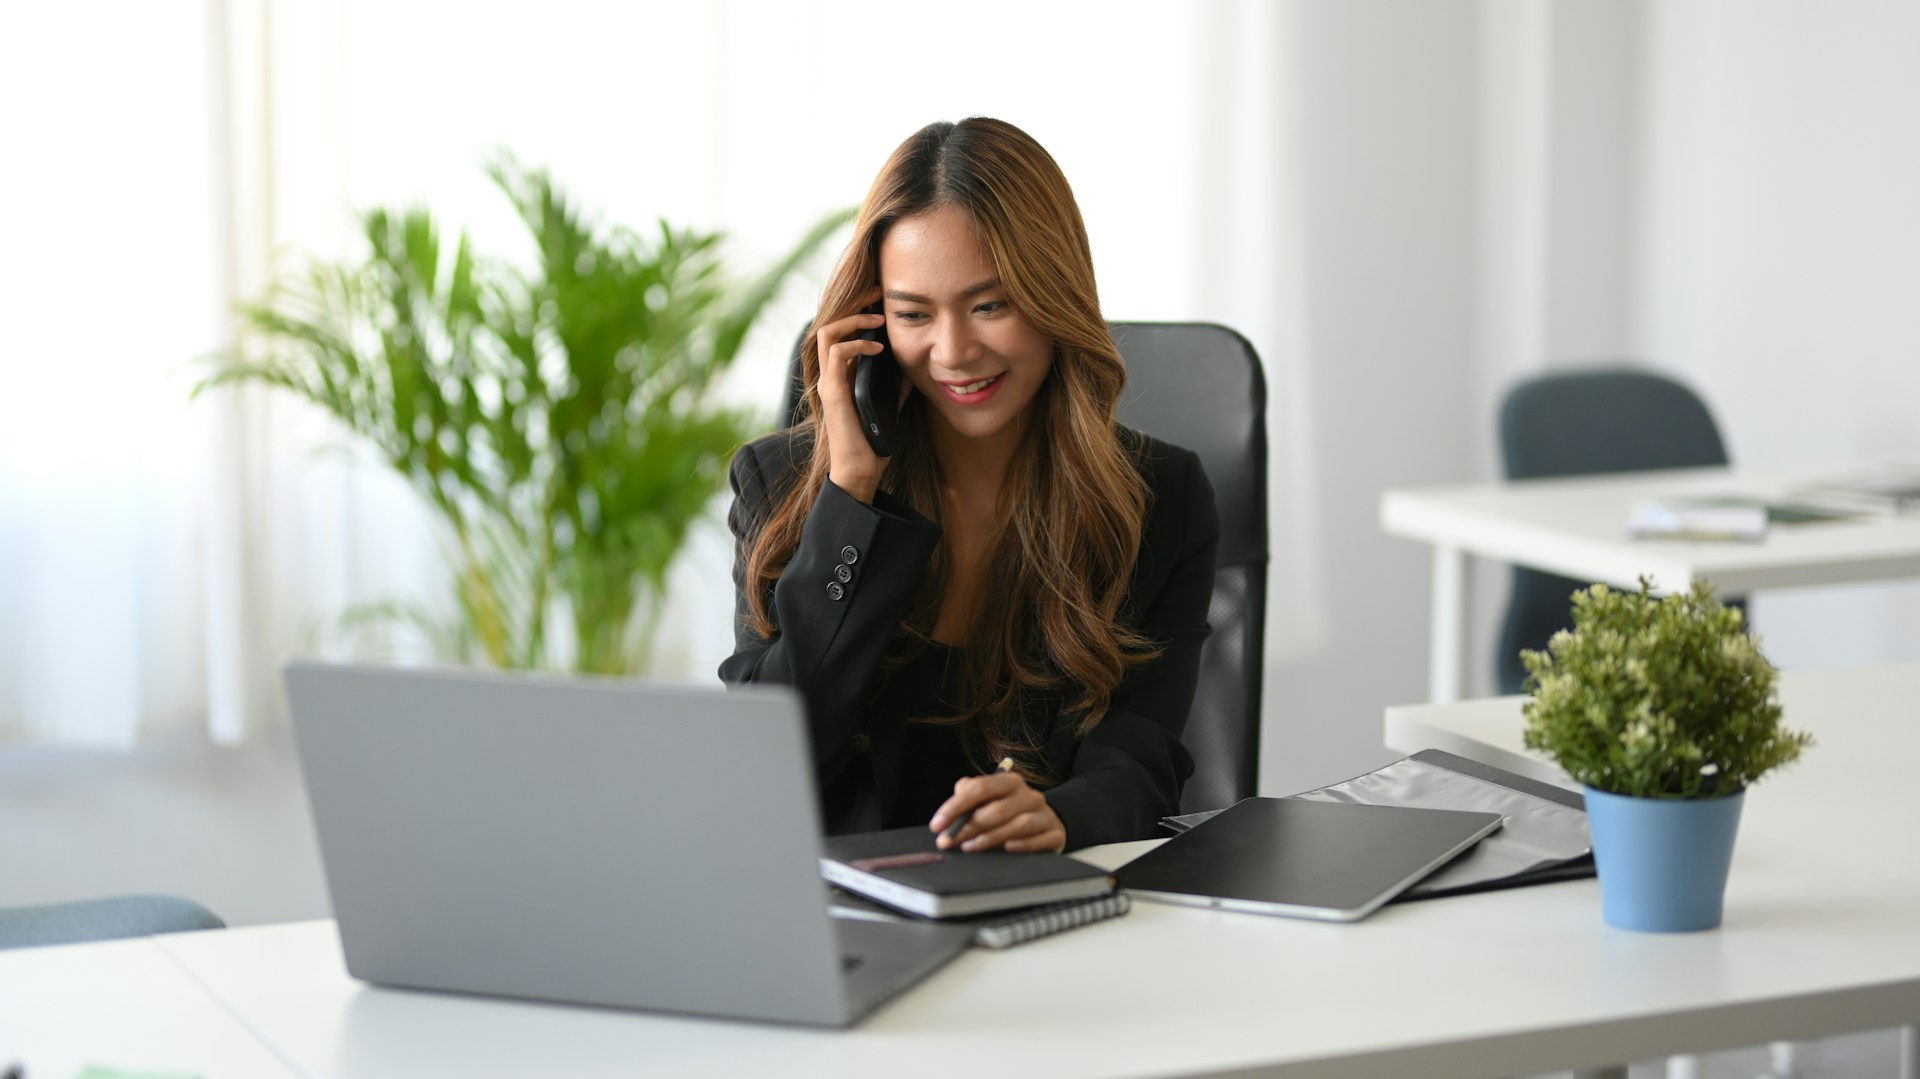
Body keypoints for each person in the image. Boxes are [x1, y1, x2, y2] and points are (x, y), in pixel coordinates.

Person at [720, 117, 1218, 853]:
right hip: (841, 914)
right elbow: (763, 767)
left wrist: (1064, 817)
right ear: (870, 323)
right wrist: (851, 498)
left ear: (1056, 296)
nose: (952, 352)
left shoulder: (1159, 496)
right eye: (913, 314)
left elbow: (1139, 751)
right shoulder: (783, 484)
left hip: (1043, 902)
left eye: (991, 305)